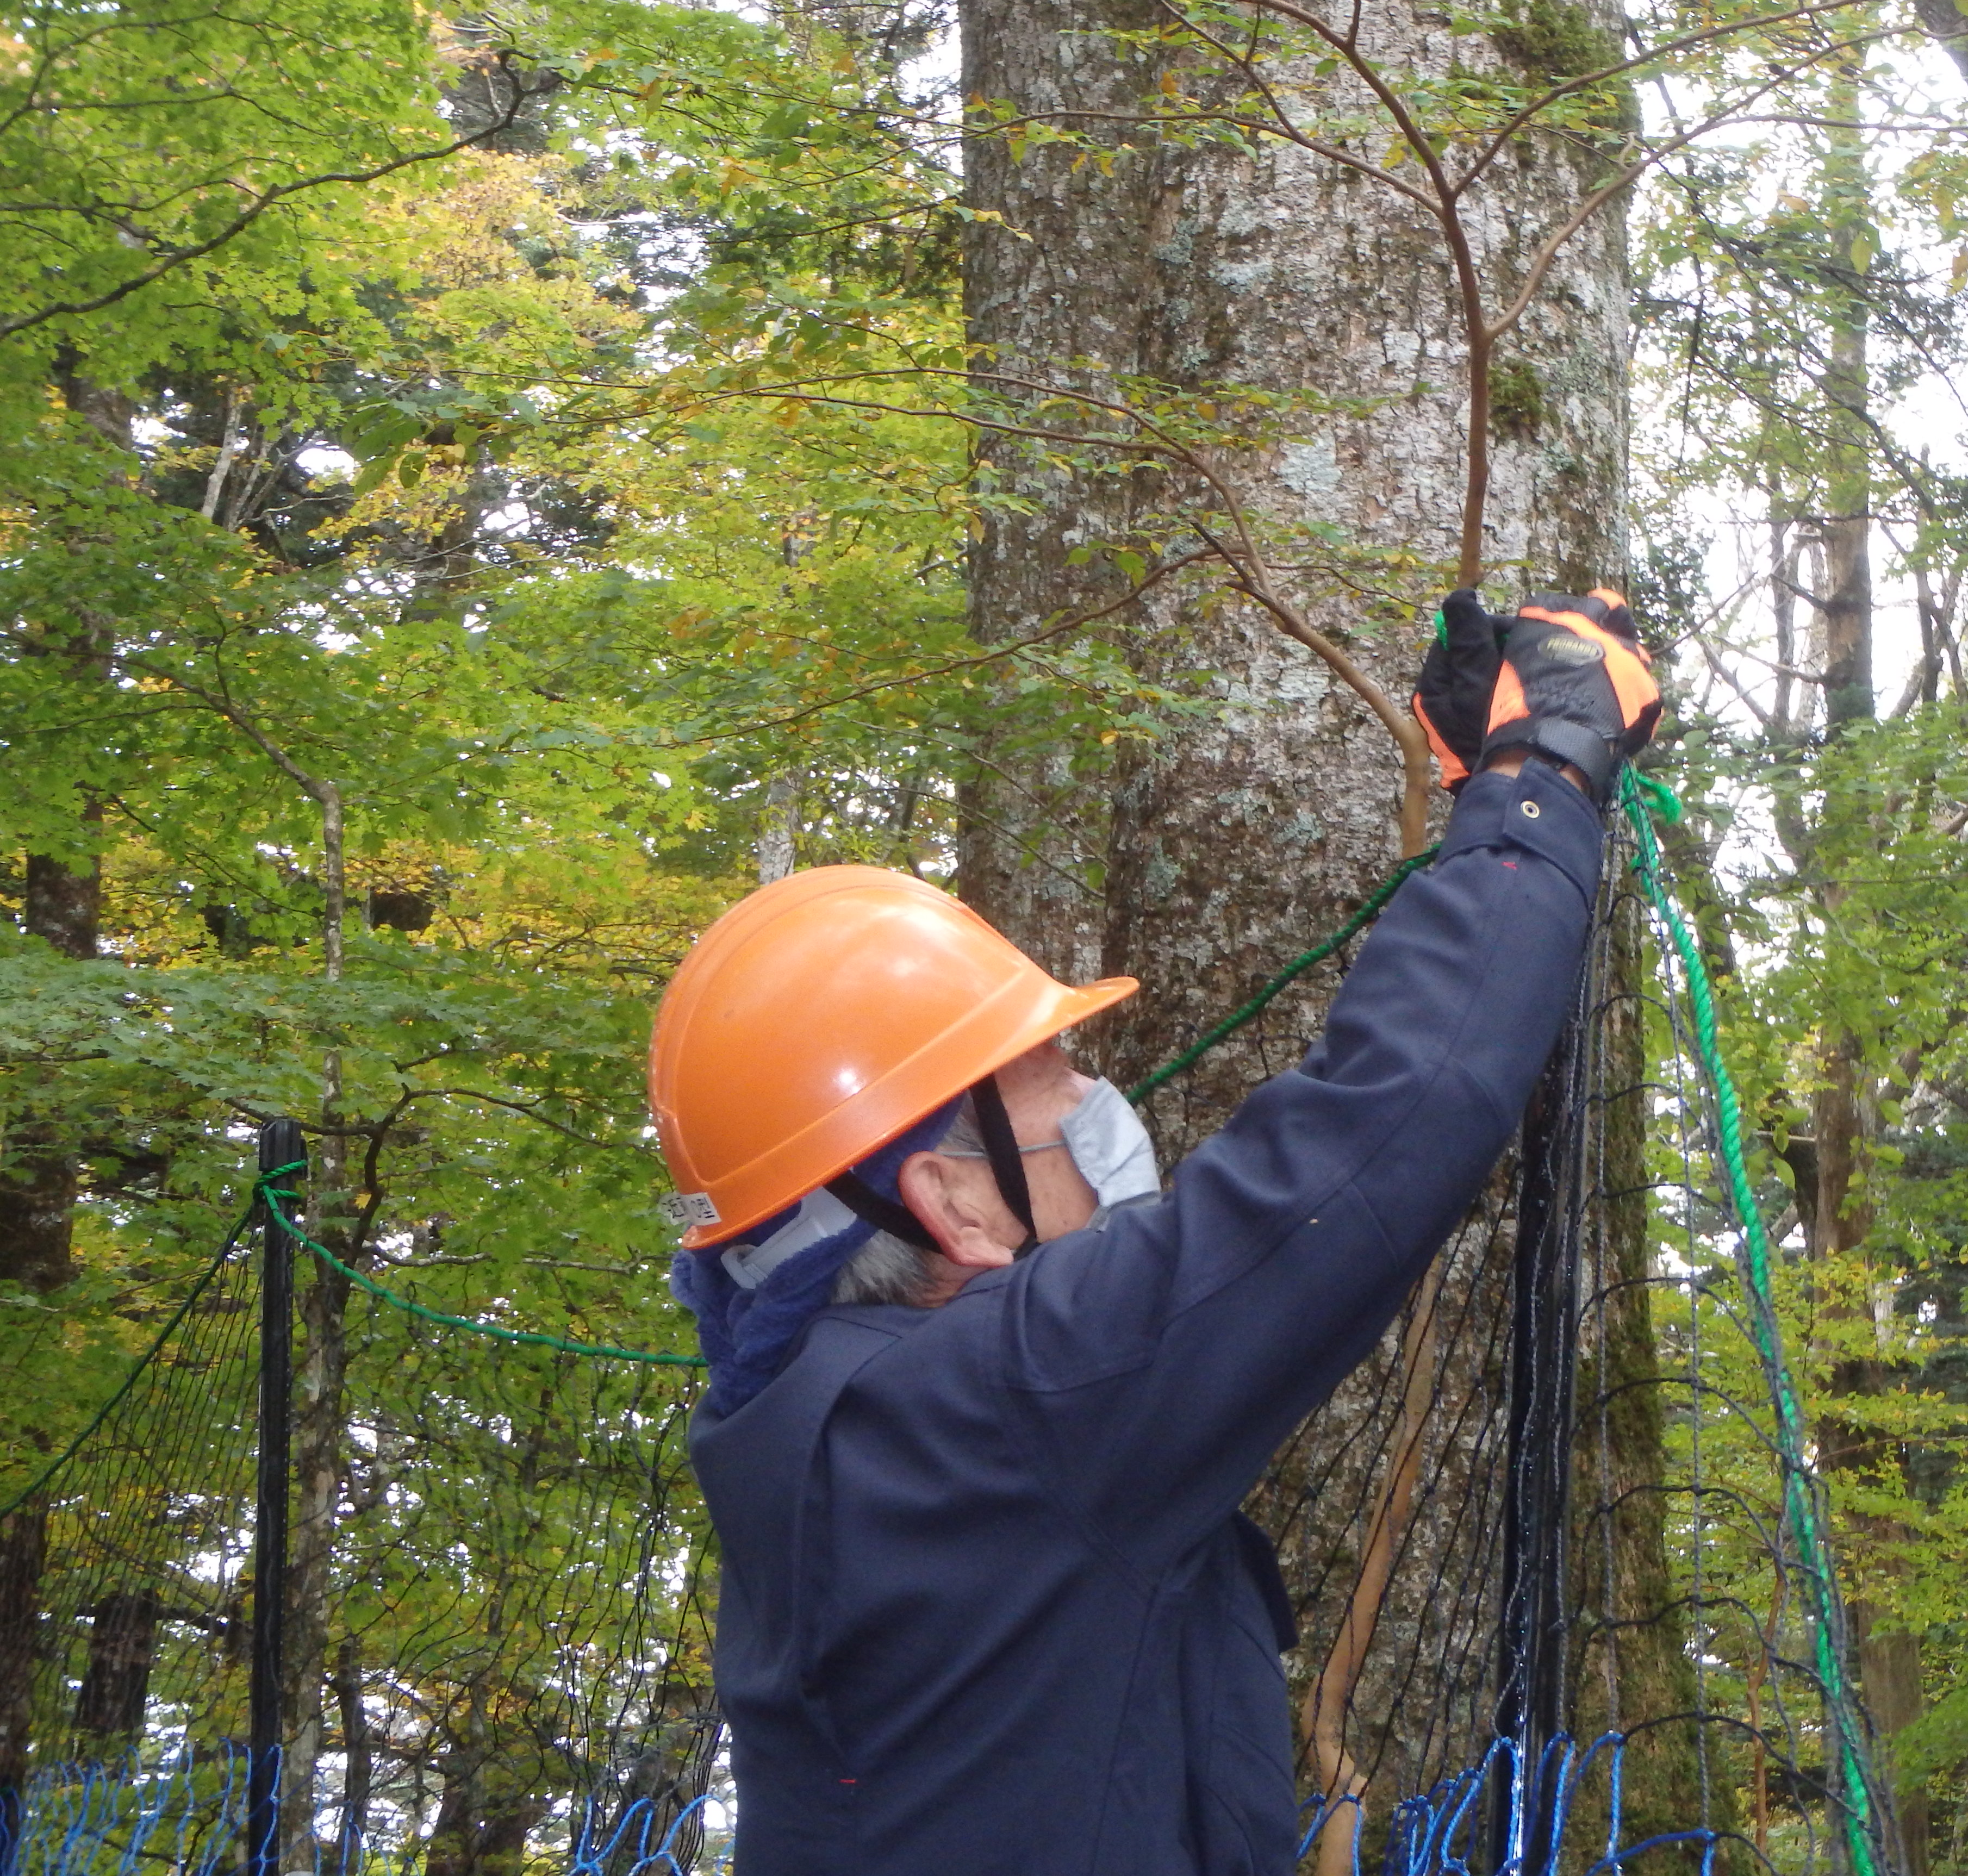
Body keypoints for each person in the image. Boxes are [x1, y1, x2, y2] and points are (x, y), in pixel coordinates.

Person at [647, 589, 1660, 1875]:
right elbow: (1382, 1124)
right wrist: (1540, 773)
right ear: (952, 1206)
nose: (1098, 1098)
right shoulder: (1002, 1406)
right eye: (1054, 1080)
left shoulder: (812, 1420)